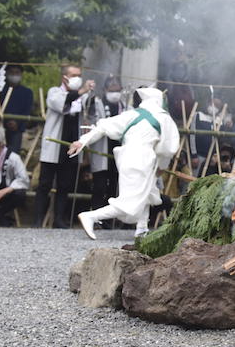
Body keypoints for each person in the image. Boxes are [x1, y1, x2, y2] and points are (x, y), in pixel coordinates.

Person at [70, 86, 180, 240]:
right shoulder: (164, 118)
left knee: (147, 193)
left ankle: (141, 229)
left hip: (128, 157)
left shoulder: (132, 114)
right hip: (142, 160)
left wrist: (82, 141)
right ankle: (91, 216)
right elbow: (167, 148)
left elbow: (103, 127)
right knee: (131, 203)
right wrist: (162, 166)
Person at [34, 66, 94, 228]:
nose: (77, 78)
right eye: (74, 75)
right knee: (45, 184)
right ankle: (38, 219)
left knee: (65, 185)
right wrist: (81, 92)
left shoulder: (82, 96)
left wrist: (89, 92)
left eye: (79, 75)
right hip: (54, 144)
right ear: (65, 77)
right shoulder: (55, 92)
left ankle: (59, 219)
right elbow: (61, 103)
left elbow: (90, 108)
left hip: (72, 145)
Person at [85, 76, 126, 218]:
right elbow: (90, 115)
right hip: (102, 149)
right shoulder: (98, 104)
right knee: (99, 186)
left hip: (118, 151)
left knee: (114, 187)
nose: (115, 93)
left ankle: (110, 219)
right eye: (112, 90)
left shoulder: (125, 107)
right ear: (105, 90)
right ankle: (96, 217)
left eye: (117, 90)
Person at [1, 65, 34, 155]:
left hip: (17, 129)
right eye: (11, 72)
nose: (14, 75)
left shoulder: (27, 92)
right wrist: (6, 121)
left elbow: (27, 110)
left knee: (12, 155)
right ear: (6, 74)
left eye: (17, 73)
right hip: (1, 127)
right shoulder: (1, 91)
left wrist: (17, 122)